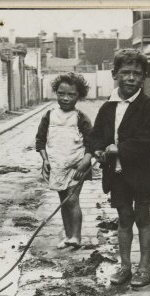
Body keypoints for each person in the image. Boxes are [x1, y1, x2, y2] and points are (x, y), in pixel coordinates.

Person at [90, 49, 150, 287]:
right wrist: (98, 150)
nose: (131, 78)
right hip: (118, 174)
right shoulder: (107, 107)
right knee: (124, 219)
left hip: (143, 172)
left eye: (137, 73)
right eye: (125, 73)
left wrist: (118, 149)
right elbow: (96, 136)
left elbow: (147, 140)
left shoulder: (148, 107)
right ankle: (125, 266)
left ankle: (145, 267)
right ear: (115, 74)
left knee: (142, 217)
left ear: (144, 78)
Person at [35, 72, 94, 249]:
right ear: (56, 93)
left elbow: (92, 142)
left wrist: (87, 160)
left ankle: (76, 236)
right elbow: (40, 140)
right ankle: (67, 235)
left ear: (79, 96)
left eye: (71, 94)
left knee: (73, 199)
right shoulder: (49, 115)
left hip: (77, 165)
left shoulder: (80, 118)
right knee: (63, 200)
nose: (66, 98)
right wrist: (45, 160)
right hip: (57, 165)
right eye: (61, 94)